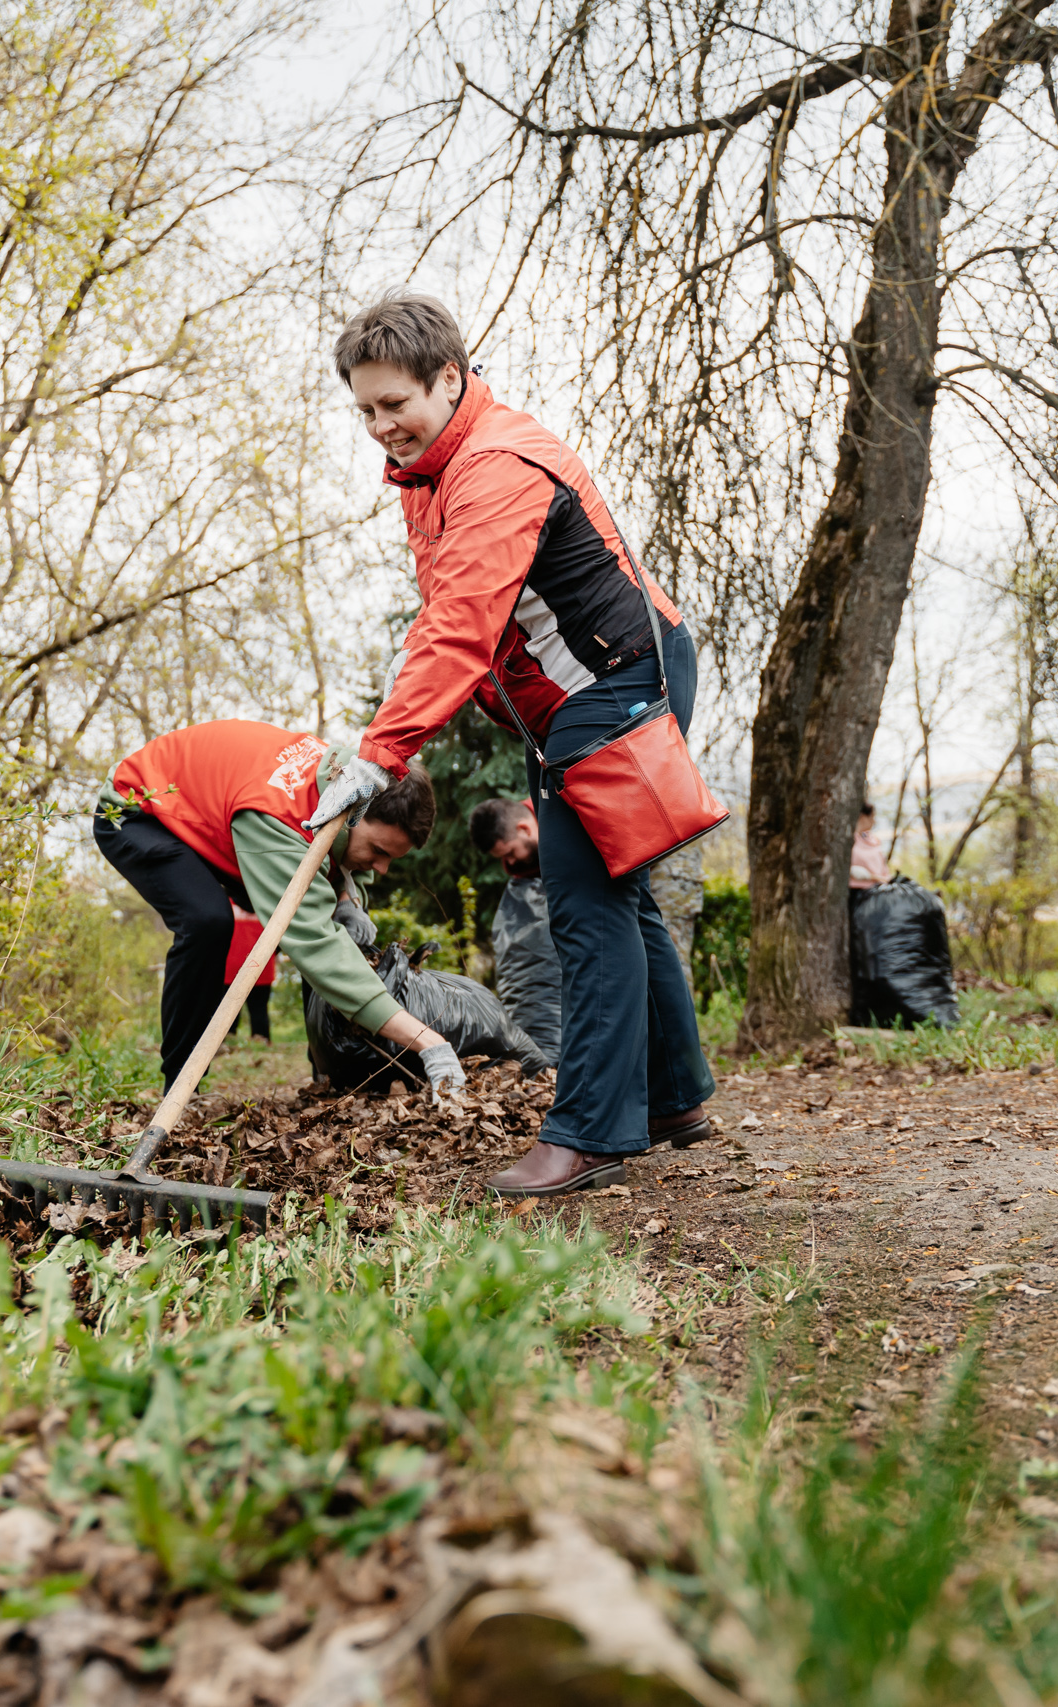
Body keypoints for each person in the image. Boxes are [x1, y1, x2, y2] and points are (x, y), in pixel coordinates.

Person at [312, 293, 715, 1198]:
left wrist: (380, 753)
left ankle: (591, 1132)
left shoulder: (494, 466)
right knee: (621, 897)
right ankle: (674, 1096)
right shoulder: (431, 471)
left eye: (395, 406)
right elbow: (458, 620)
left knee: (583, 903)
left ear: (449, 378)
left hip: (613, 684)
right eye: (366, 410)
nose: (381, 428)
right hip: (570, 700)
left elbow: (459, 626)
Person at [96, 719, 463, 1098]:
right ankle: (181, 1082)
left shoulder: (351, 778)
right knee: (207, 921)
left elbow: (339, 863)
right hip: (139, 810)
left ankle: (328, 1079)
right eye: (379, 852)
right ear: (352, 811)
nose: (382, 869)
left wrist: (348, 899)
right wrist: (426, 1041)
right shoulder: (278, 821)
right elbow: (314, 944)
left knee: (335, 924)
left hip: (218, 818)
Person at [468, 797, 560, 1063]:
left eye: (510, 852)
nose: (510, 862)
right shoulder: (525, 864)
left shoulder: (564, 819)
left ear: (525, 829)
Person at [224, 902, 278, 1044]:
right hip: (261, 968)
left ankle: (227, 1040)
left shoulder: (225, 905)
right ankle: (261, 1039)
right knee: (259, 1009)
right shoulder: (266, 905)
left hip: (231, 969)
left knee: (228, 1010)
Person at [850, 802, 891, 891]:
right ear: (862, 817)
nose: (874, 821)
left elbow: (884, 871)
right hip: (857, 892)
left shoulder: (873, 841)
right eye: (872, 817)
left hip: (878, 890)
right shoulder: (849, 841)